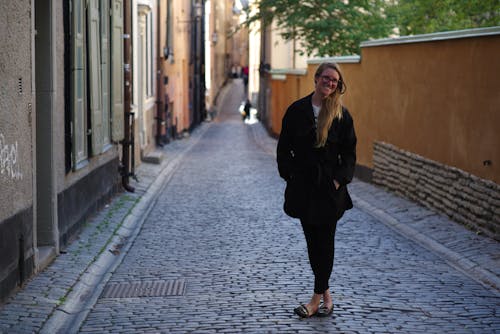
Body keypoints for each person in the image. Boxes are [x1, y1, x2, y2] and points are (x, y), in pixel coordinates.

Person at [276, 62, 357, 318]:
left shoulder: (342, 116)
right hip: (304, 190)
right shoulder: (297, 110)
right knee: (313, 244)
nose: (330, 83)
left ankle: (314, 301)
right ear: (316, 78)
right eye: (327, 78)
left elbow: (350, 153)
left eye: (335, 81)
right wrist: (290, 175)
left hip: (330, 191)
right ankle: (327, 297)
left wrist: (338, 181)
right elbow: (283, 148)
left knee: (326, 242)